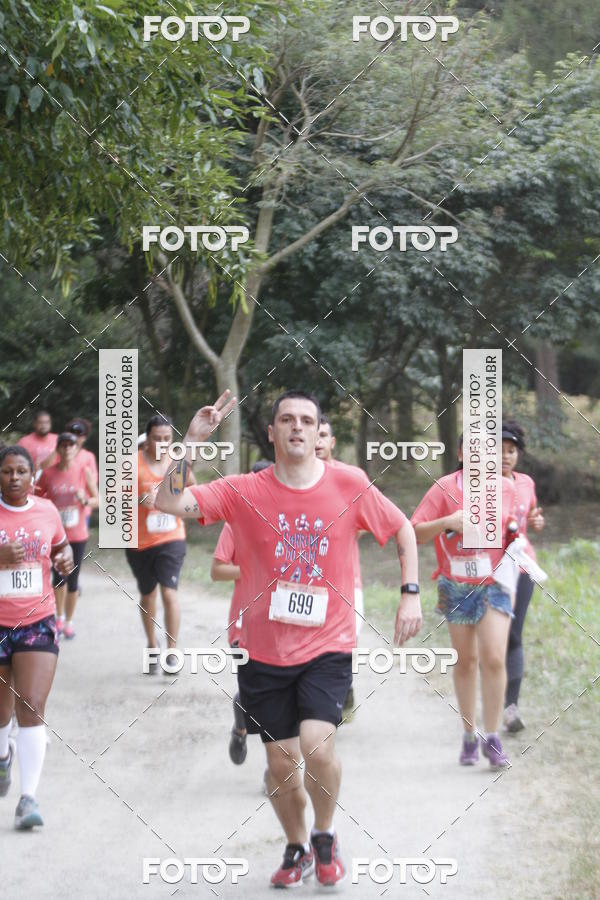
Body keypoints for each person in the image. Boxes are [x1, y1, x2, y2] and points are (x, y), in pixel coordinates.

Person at [156, 389, 421, 888]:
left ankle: (325, 833)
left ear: (319, 432)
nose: (297, 427)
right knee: (280, 766)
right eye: (286, 420)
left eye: (306, 420)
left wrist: (410, 593)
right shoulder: (243, 491)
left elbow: (403, 530)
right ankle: (297, 845)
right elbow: (167, 500)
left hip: (328, 644)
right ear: (273, 433)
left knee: (318, 749)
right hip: (263, 651)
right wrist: (190, 442)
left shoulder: (349, 484)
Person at [411, 437, 518, 769]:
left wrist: (516, 534)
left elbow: (515, 528)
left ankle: (493, 736)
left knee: (494, 658)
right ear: (460, 454)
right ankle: (469, 734)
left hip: (495, 582)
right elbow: (414, 532)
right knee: (466, 661)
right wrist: (447, 522)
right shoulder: (444, 488)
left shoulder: (506, 488)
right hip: (455, 585)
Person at [0, 445, 73, 829]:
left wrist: (66, 560)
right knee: (1, 712)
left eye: (21, 471)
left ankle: (28, 799)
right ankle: (2, 758)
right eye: (6, 471)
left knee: (31, 703)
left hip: (37, 620)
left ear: (32, 476)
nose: (14, 478)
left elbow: (62, 550)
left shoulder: (46, 511)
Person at [211, 461, 273, 766]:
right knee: (253, 697)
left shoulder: (289, 521)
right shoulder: (235, 523)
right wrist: (255, 571)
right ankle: (240, 728)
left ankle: (275, 769)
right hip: (245, 624)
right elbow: (218, 570)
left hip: (286, 624)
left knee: (284, 699)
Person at [125, 416, 194, 672]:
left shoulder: (177, 464)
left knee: (169, 591)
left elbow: (192, 490)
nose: (163, 444)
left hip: (171, 537)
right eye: (157, 438)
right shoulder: (131, 464)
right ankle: (152, 645)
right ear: (147, 439)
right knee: (149, 593)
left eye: (167, 439)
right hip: (140, 541)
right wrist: (138, 500)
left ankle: (172, 651)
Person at [315, 415, 364, 718]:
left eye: (323, 435)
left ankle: (343, 686)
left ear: (332, 442)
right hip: (304, 582)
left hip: (347, 580)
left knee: (346, 640)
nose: (317, 441)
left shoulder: (350, 478)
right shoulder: (289, 478)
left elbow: (374, 520)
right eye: (313, 434)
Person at [501, 421, 545, 733]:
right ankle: (489, 699)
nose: (505, 456)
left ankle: (510, 707)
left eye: (511, 451)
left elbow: (531, 516)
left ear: (518, 454)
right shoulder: (481, 485)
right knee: (494, 637)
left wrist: (537, 520)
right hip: (491, 569)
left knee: (514, 633)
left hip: (523, 566)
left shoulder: (527, 483)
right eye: (499, 451)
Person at [37, 433, 99, 640]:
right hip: (56, 535)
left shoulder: (84, 471)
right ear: (59, 449)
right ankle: (58, 617)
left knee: (73, 579)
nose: (67, 449)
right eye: (63, 446)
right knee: (58, 578)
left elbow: (97, 500)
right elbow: (36, 498)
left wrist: (85, 500)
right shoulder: (48, 473)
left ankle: (69, 621)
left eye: (71, 445)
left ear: (76, 448)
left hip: (77, 534)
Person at [66, 419, 99, 530]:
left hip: (81, 507)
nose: (75, 437)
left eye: (79, 434)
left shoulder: (88, 456)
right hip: (60, 506)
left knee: (78, 542)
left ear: (84, 437)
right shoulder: (59, 453)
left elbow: (93, 481)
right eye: (72, 433)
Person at [17, 411, 58, 478]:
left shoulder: (58, 440)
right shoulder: (24, 442)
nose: (44, 425)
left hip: (54, 480)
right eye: (40, 422)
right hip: (33, 480)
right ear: (34, 424)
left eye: (47, 422)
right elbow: (17, 463)